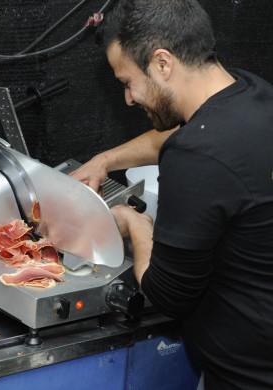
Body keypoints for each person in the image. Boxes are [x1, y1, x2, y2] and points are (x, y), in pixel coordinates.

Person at [69, 1, 273, 389]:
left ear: (162, 63)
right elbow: (181, 131)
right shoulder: (250, 92)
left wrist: (135, 222)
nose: (128, 99)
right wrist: (104, 161)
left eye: (127, 82)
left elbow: (167, 295)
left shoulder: (197, 155)